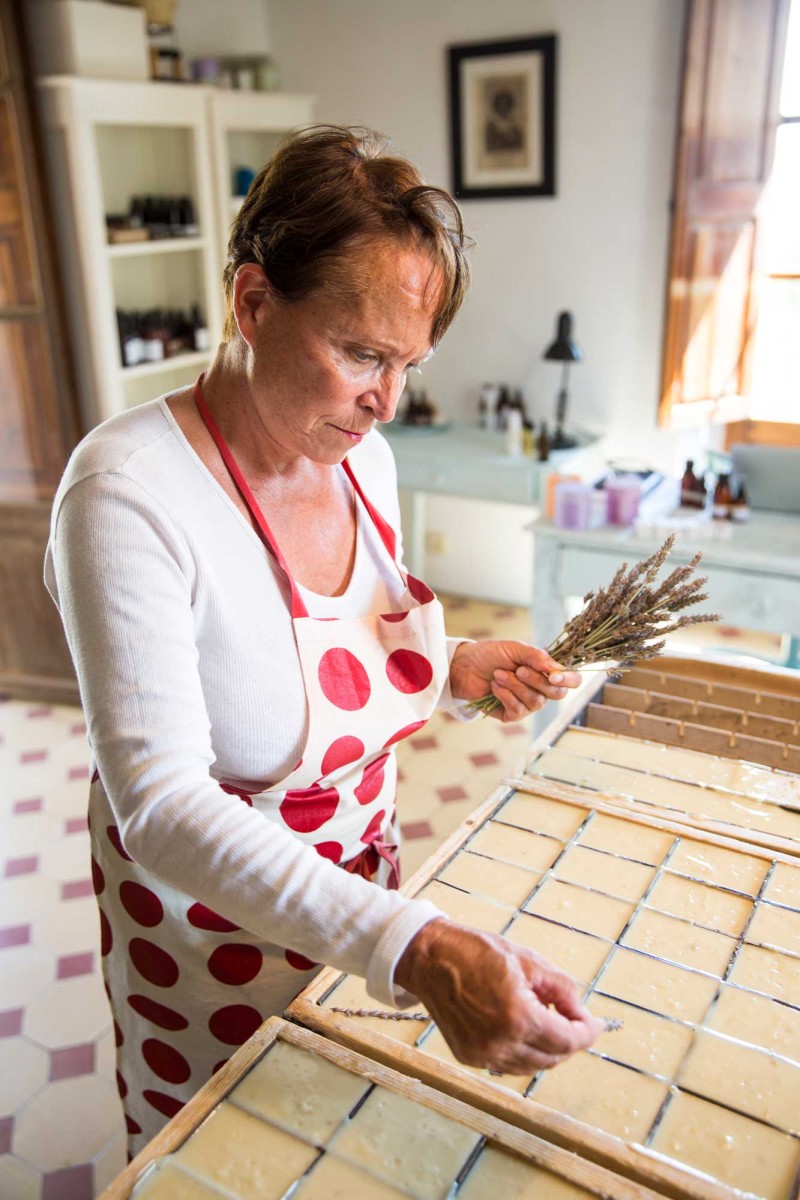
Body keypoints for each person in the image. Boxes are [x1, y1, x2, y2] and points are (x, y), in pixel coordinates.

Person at [45, 125, 601, 1154]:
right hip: (206, 945)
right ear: (253, 304)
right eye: (359, 354)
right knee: (222, 1159)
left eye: (407, 364)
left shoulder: (361, 458)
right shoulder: (127, 493)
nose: (387, 401)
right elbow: (162, 808)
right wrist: (418, 949)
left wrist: (447, 669)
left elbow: (320, 660)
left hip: (353, 909)